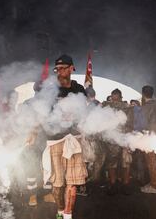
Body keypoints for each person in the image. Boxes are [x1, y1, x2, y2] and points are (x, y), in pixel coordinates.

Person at [47, 54, 87, 219]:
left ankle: (68, 216)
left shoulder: (79, 89)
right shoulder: (49, 90)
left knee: (72, 182)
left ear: (72, 68)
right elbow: (40, 112)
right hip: (55, 139)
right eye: (57, 68)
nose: (59, 71)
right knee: (57, 184)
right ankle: (60, 211)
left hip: (74, 139)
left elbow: (85, 113)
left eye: (63, 68)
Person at [102, 88, 134, 195]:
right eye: (113, 99)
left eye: (116, 99)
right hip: (112, 138)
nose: (114, 101)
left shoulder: (127, 108)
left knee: (126, 161)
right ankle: (113, 183)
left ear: (120, 98)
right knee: (112, 162)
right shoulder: (107, 106)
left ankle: (125, 184)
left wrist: (127, 138)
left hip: (124, 137)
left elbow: (130, 124)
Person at [138, 85, 156, 194]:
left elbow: (142, 124)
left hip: (149, 136)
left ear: (143, 94)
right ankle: (155, 182)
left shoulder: (145, 107)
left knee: (151, 161)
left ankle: (154, 186)